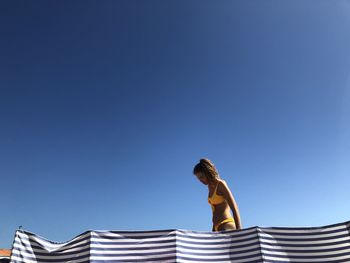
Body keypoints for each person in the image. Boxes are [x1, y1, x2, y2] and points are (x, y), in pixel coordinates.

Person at [193, 158, 242, 232]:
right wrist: (213, 229)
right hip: (216, 227)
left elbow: (235, 209)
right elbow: (215, 210)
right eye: (198, 179)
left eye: (201, 177)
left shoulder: (221, 184)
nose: (200, 181)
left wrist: (240, 232)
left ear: (207, 173)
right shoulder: (209, 187)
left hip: (226, 223)